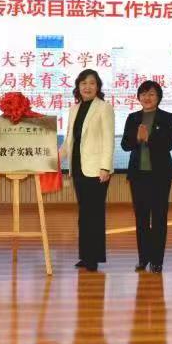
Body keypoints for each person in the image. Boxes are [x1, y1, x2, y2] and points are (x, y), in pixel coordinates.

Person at [59, 69, 114, 272]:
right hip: (78, 168)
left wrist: (105, 167)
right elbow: (69, 141)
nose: (87, 87)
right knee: (84, 214)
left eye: (91, 83)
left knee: (95, 214)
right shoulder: (74, 109)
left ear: (97, 86)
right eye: (83, 83)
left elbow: (108, 139)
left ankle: (94, 257)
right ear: (78, 87)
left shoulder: (104, 108)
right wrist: (54, 159)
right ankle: (85, 255)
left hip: (97, 170)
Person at [120, 80, 172, 273]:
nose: (147, 97)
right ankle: (143, 258)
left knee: (159, 218)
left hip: (160, 176)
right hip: (138, 176)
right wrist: (137, 138)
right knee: (141, 218)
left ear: (158, 97)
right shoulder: (133, 118)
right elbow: (125, 145)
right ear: (138, 97)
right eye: (143, 94)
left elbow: (169, 144)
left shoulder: (166, 117)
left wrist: (149, 138)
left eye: (151, 94)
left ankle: (157, 260)